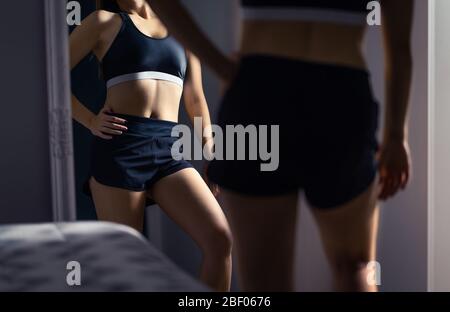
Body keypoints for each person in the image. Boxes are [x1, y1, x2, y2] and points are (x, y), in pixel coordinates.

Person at [149, 0, 414, 291]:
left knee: (264, 282)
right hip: (339, 96)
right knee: (354, 268)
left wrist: (223, 67)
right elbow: (400, 50)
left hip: (260, 93)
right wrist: (395, 136)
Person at [69, 0, 232, 291]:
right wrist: (91, 120)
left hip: (169, 149)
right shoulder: (103, 22)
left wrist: (211, 153)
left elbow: (195, 101)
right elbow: (53, 75)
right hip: (121, 148)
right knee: (126, 263)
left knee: (220, 240)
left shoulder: (180, 29)